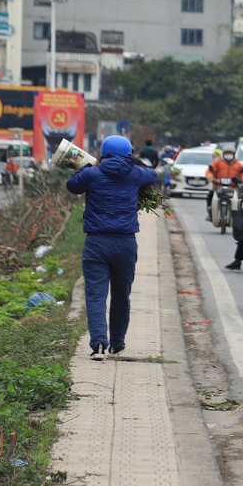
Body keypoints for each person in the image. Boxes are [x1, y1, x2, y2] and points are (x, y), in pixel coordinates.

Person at [66, 135, 159, 360]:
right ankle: (116, 343)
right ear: (129, 154)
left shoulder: (92, 174)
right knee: (121, 295)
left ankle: (98, 344)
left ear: (103, 153)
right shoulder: (135, 174)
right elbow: (153, 175)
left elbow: (72, 186)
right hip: (126, 244)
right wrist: (134, 164)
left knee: (96, 295)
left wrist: (87, 166)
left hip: (96, 242)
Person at [205, 144, 243, 220]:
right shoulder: (217, 162)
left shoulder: (238, 164)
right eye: (227, 153)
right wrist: (211, 177)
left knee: (241, 199)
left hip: (233, 187)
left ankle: (238, 215)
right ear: (223, 154)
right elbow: (209, 171)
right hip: (218, 186)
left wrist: (241, 179)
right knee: (209, 196)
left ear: (233, 154)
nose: (228, 155)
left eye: (230, 153)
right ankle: (210, 213)